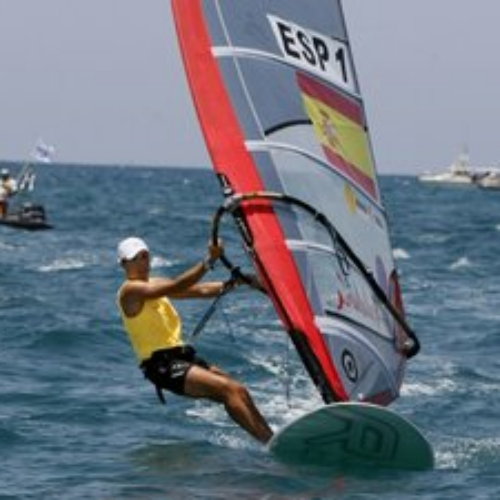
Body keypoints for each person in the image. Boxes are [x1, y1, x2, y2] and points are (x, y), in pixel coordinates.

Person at [116, 236, 273, 444]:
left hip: (181, 357)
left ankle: (272, 437)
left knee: (238, 389)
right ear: (124, 264)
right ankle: (268, 442)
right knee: (228, 391)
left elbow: (200, 290)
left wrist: (237, 282)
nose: (142, 262)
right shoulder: (130, 291)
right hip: (161, 365)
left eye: (145, 256)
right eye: (135, 258)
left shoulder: (154, 284)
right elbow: (178, 285)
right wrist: (209, 260)